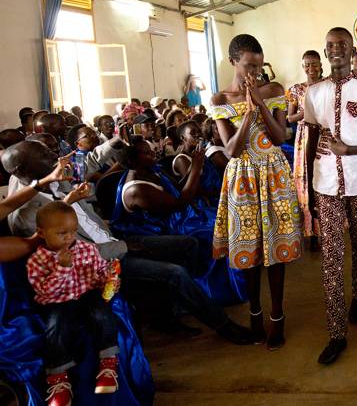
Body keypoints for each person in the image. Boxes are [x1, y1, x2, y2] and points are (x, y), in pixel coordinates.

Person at [2, 141, 253, 344]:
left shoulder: (51, 177)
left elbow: (86, 171)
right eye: (45, 154)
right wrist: (123, 247)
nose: (54, 155)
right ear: (24, 169)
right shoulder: (28, 215)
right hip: (99, 263)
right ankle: (224, 326)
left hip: (114, 239)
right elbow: (74, 254)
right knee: (174, 273)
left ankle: (169, 312)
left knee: (188, 244)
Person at [303, 27, 357, 365]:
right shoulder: (313, 93)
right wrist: (310, 186)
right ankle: (336, 333)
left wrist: (352, 150)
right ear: (325, 53)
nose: (336, 50)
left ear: (352, 50)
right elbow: (310, 141)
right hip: (326, 185)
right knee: (330, 258)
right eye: (330, 46)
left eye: (342, 44)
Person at [211, 34, 303, 350]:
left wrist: (260, 102)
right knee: (249, 250)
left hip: (274, 172)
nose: (255, 72)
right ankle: (255, 314)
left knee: (276, 250)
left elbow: (279, 137)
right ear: (233, 61)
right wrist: (247, 111)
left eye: (260, 65)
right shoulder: (220, 100)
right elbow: (233, 150)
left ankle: (277, 317)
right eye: (249, 65)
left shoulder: (274, 91)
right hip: (242, 177)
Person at [111, 136, 246, 307]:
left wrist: (193, 168)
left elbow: (177, 188)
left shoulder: (151, 170)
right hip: (158, 229)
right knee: (214, 231)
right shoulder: (137, 189)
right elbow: (180, 202)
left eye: (151, 149)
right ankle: (209, 290)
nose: (153, 153)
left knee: (226, 218)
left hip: (174, 217)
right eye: (146, 152)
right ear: (133, 160)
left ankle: (232, 279)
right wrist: (196, 168)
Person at [27, 202, 121, 405]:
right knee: (54, 326)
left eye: (73, 232)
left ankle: (108, 362)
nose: (69, 238)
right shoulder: (37, 260)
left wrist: (109, 277)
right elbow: (45, 291)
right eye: (62, 233)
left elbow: (100, 269)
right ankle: (59, 379)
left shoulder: (87, 249)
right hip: (56, 301)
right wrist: (62, 268)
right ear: (41, 233)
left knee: (101, 313)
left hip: (86, 294)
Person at [286, 50, 324, 248]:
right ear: (303, 67)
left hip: (325, 137)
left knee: (325, 179)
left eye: (315, 64)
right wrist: (304, 113)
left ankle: (326, 226)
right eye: (307, 65)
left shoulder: (329, 85)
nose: (311, 68)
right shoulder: (295, 90)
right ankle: (310, 231)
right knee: (306, 181)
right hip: (304, 138)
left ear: (320, 64)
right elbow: (289, 118)